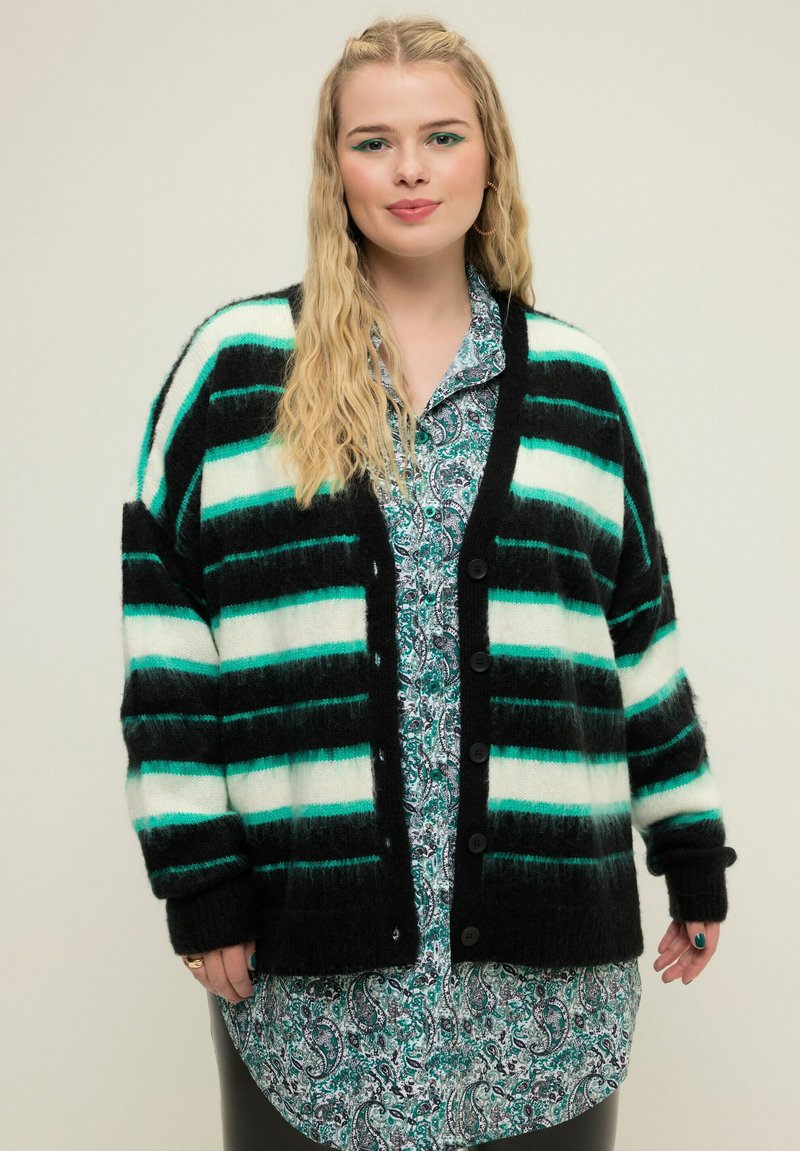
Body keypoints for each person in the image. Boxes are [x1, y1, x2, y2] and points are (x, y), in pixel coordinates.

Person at [119, 15, 737, 1151]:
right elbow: (168, 644)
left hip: (546, 970)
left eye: (441, 136)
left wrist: (689, 847)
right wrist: (199, 880)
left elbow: (638, 634)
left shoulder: (576, 383)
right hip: (314, 964)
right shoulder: (236, 369)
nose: (409, 169)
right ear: (335, 168)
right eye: (374, 141)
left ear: (489, 155)